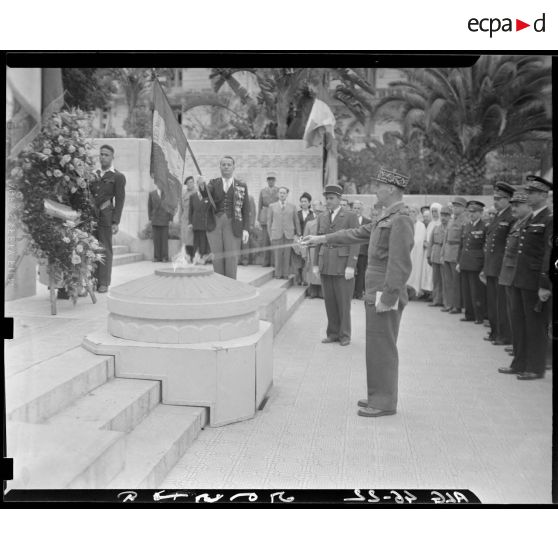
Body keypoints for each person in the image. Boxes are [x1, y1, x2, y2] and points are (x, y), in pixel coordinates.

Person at [303, 168, 414, 417]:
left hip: (385, 291)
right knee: (375, 346)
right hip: (375, 289)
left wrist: (389, 296)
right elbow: (355, 233)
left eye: (379, 185)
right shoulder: (386, 216)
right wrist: (321, 239)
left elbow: (400, 263)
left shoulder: (401, 218)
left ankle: (384, 402)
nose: (375, 189)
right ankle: (377, 395)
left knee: (383, 346)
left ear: (392, 189)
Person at [499, 175, 553, 380]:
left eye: (532, 193)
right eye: (528, 192)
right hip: (520, 279)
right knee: (520, 323)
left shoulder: (549, 218)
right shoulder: (530, 218)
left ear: (543, 195)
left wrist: (545, 284)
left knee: (535, 325)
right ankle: (519, 362)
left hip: (535, 281)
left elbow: (549, 254)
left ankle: (535, 367)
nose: (527, 196)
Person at [311, 184, 359, 346]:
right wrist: (316, 264)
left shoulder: (350, 216)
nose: (328, 201)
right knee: (329, 301)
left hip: (342, 264)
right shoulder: (323, 216)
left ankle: (345, 335)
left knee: (343, 302)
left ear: (339, 199)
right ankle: (332, 333)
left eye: (331, 198)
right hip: (326, 263)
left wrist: (351, 265)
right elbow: (318, 240)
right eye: (327, 198)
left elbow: (355, 241)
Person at [198, 155, 250, 279]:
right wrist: (201, 186)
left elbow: (246, 209)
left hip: (233, 223)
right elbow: (206, 195)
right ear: (220, 167)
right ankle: (219, 284)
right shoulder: (213, 183)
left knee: (231, 256)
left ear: (233, 167)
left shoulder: (241, 186)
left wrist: (246, 229)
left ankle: (231, 284)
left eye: (229, 165)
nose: (226, 167)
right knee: (218, 256)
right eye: (223, 164)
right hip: (215, 223)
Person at [497, 190, 531, 366]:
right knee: (514, 318)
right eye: (513, 205)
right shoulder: (518, 224)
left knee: (521, 320)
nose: (514, 208)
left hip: (519, 277)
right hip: (510, 276)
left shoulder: (527, 224)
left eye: (518, 205)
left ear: (528, 206)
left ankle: (522, 358)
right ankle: (518, 355)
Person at [480, 182, 515, 345]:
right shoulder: (497, 216)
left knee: (501, 304)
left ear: (508, 199)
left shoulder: (511, 217)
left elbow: (509, 245)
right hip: (491, 266)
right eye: (495, 198)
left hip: (501, 266)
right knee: (493, 302)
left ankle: (504, 334)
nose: (496, 201)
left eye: (499, 198)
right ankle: (495, 331)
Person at [90, 144, 126, 293]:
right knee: (90, 248)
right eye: (101, 154)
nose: (103, 157)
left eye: (106, 155)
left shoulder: (117, 176)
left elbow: (120, 200)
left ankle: (103, 282)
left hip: (106, 216)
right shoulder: (94, 175)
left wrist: (115, 221)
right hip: (92, 217)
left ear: (112, 157)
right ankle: (92, 280)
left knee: (104, 249)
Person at [457, 200, 487, 324]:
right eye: (470, 212)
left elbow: (485, 247)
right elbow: (462, 245)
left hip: (476, 263)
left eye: (474, 212)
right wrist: (459, 261)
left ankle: (479, 316)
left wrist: (483, 265)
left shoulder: (484, 226)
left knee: (477, 292)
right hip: (465, 262)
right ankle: (469, 314)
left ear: (480, 213)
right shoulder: (466, 226)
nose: (472, 214)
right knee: (467, 291)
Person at [441, 197, 468, 314]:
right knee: (448, 281)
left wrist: (460, 258)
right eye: (454, 206)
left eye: (457, 206)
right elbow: (446, 239)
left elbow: (464, 241)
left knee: (456, 282)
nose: (455, 209)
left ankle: (456, 305)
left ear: (463, 208)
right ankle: (448, 304)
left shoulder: (465, 221)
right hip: (448, 251)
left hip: (456, 252)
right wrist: (442, 253)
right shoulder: (451, 220)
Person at [267, 186, 300, 279]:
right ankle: (278, 274)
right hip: (276, 233)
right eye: (280, 193)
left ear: (287, 194)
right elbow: (269, 222)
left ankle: (285, 274)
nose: (282, 194)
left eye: (284, 193)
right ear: (278, 194)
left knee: (287, 255)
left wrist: (299, 233)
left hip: (289, 234)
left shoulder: (292, 206)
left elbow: (296, 221)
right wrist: (270, 235)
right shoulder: (272, 206)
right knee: (277, 255)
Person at [419, 202, 441, 300]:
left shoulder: (440, 223)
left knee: (433, 274)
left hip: (435, 250)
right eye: (433, 211)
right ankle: (426, 292)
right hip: (427, 251)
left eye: (436, 211)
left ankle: (434, 294)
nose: (434, 213)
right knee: (426, 272)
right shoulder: (431, 223)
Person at [427, 203, 447, 307]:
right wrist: (428, 255)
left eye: (445, 216)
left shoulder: (449, 228)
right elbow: (430, 242)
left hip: (443, 255)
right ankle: (436, 299)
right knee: (436, 280)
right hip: (435, 255)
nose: (443, 218)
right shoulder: (436, 228)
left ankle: (445, 301)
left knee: (444, 280)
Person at [257, 171, 280, 267]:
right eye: (269, 179)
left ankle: (274, 262)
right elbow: (260, 205)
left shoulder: (279, 190)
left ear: (275, 181)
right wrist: (259, 218)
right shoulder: (263, 191)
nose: (271, 181)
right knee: (265, 240)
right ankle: (266, 261)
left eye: (272, 179)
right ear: (267, 181)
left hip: (275, 216)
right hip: (265, 216)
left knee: (274, 240)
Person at [292, 192, 315, 285]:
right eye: (301, 201)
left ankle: (306, 280)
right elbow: (293, 225)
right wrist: (297, 237)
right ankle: (298, 278)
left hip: (308, 240)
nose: (303, 203)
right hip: (298, 239)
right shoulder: (297, 213)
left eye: (305, 201)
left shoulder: (313, 214)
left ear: (309, 203)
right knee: (298, 259)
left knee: (306, 259)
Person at [188, 176, 211, 260]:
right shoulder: (192, 196)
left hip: (205, 222)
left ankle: (202, 257)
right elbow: (190, 211)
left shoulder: (208, 196)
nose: (201, 185)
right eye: (200, 183)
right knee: (195, 240)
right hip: (195, 222)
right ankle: (194, 257)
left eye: (203, 183)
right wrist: (190, 223)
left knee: (204, 240)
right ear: (197, 184)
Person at [148, 186, 174, 262]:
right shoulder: (152, 193)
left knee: (164, 240)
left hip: (165, 219)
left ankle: (164, 257)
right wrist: (150, 218)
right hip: (155, 219)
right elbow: (149, 206)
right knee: (156, 239)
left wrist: (171, 219)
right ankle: (156, 257)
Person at [352, 200, 371, 299]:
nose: (356, 210)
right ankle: (350, 293)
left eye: (358, 208)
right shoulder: (349, 220)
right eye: (354, 208)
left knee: (361, 273)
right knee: (350, 271)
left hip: (362, 252)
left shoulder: (367, 221)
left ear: (362, 209)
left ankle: (359, 293)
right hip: (350, 251)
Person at [406, 206, 426, 298]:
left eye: (413, 211)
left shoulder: (421, 226)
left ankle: (413, 292)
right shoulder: (405, 224)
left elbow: (421, 240)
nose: (411, 213)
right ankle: (405, 292)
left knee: (415, 272)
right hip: (406, 253)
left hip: (417, 254)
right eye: (410, 211)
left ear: (417, 214)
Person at [436, 205, 453, 310]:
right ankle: (445, 302)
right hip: (445, 256)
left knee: (449, 282)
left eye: (446, 215)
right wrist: (441, 255)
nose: (443, 217)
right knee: (444, 281)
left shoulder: (451, 226)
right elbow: (444, 244)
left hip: (451, 256)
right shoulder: (438, 227)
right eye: (442, 215)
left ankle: (450, 304)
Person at [178, 176, 196, 259]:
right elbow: (181, 208)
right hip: (184, 219)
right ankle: (185, 257)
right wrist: (179, 220)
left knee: (192, 239)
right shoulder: (183, 194)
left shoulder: (197, 193)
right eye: (189, 182)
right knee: (184, 239)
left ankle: (192, 257)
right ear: (186, 184)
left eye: (192, 182)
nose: (190, 184)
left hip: (193, 219)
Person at [240, 194, 257, 265]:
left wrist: (252, 224)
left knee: (245, 242)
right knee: (236, 242)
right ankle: (237, 260)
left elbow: (253, 212)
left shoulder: (250, 197)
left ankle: (245, 260)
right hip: (236, 222)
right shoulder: (234, 196)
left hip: (246, 222)